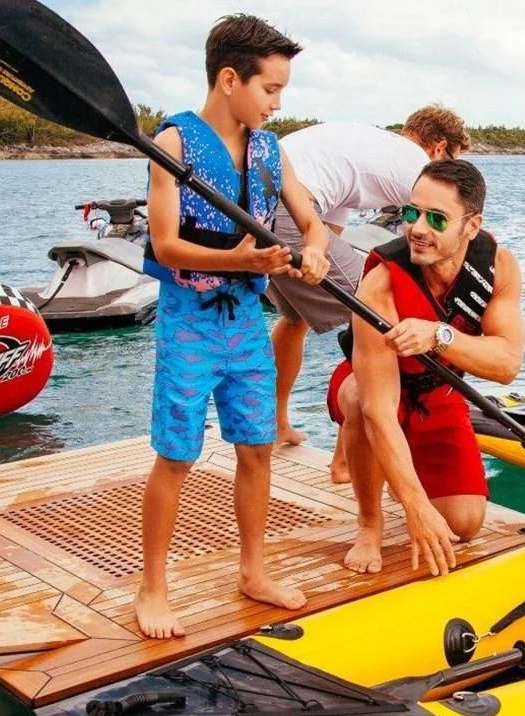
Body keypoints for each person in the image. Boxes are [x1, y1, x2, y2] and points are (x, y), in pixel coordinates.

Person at [134, 14, 332, 639]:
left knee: (256, 447)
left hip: (247, 321)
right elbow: (166, 246)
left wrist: (318, 245)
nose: (277, 103)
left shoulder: (272, 149)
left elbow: (308, 214)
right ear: (229, 79)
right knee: (176, 455)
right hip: (190, 322)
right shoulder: (174, 144)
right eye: (270, 89)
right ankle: (153, 587)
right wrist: (240, 260)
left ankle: (254, 570)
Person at [331, 159, 524, 577]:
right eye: (411, 213)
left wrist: (440, 335)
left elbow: (507, 364)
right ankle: (369, 522)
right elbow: (380, 411)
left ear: (471, 227)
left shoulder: (498, 268)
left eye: (437, 218)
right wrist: (415, 509)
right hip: (375, 387)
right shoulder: (380, 283)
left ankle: (403, 474)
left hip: (439, 390)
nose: (418, 228)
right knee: (359, 398)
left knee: (465, 524)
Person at [265, 106, 472, 471]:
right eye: (452, 161)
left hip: (264, 203)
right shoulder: (418, 168)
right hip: (286, 206)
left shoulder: (366, 149)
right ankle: (345, 458)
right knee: (373, 318)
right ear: (439, 148)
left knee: (294, 318)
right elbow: (445, 239)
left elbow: (331, 234)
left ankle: (276, 425)